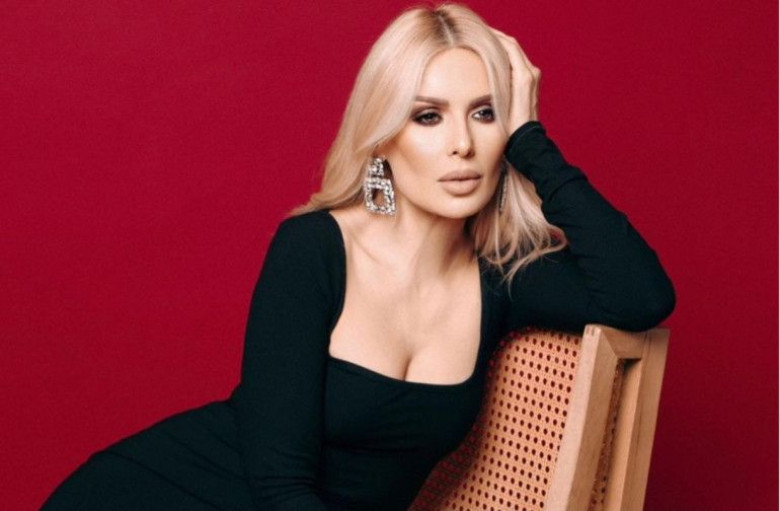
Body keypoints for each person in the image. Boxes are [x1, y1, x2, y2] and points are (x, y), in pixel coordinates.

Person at [40, 3, 675, 511]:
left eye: (485, 114)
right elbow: (282, 487)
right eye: (428, 117)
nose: (462, 144)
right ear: (384, 139)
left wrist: (532, 141)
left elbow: (642, 297)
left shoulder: (502, 279)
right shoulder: (315, 247)